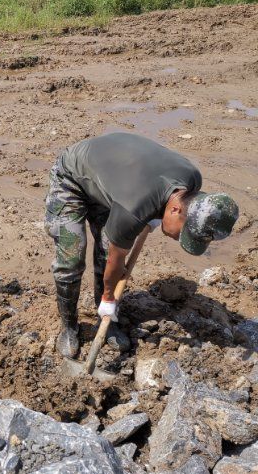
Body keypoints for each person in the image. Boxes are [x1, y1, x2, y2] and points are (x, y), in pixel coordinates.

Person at [45, 132, 239, 357]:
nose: (179, 238)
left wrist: (156, 214)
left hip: (114, 181)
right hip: (73, 177)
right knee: (71, 257)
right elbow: (115, 262)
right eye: (183, 233)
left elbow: (157, 192)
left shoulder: (192, 181)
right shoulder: (133, 209)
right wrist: (109, 297)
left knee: (106, 249)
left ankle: (106, 321)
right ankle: (69, 326)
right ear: (175, 209)